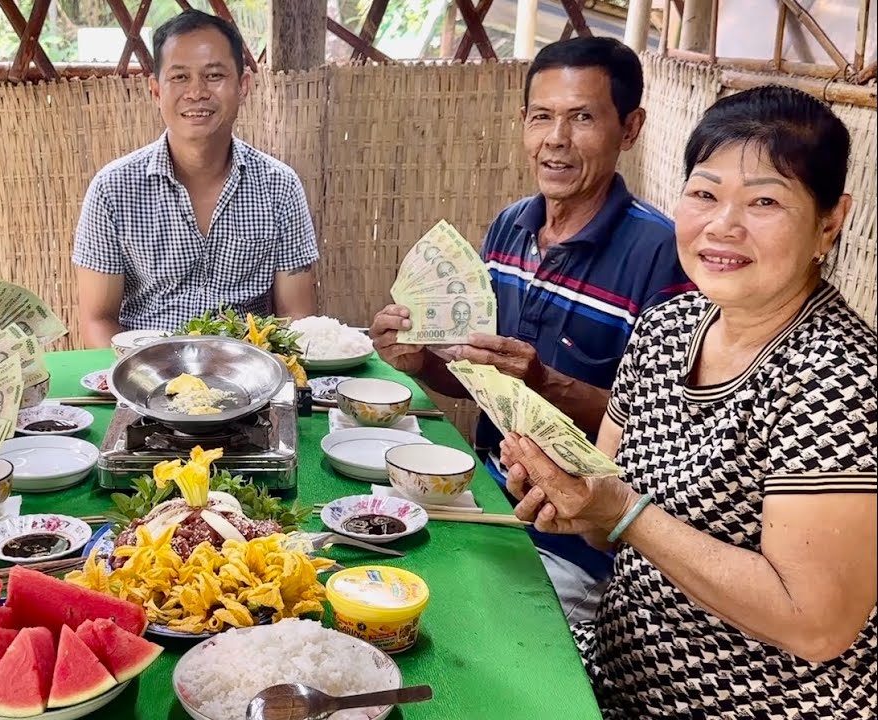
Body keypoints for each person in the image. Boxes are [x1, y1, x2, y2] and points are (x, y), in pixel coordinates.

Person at [502, 86, 875, 718]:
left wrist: (623, 514)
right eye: (704, 194)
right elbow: (608, 529)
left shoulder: (841, 377)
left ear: (829, 221)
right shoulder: (665, 328)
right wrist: (567, 497)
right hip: (617, 678)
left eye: (764, 201)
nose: (723, 225)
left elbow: (816, 624)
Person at [371, 37, 692, 622]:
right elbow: (483, 384)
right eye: (541, 117)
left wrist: (545, 382)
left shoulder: (664, 253)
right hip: (485, 502)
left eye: (583, 118)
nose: (556, 140)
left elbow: (668, 438)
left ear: (631, 127)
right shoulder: (509, 229)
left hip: (579, 547)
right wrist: (422, 363)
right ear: (523, 122)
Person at [72, 9, 318, 347]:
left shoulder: (280, 187)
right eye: (180, 77)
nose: (197, 92)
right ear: (156, 91)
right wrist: (141, 379)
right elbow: (98, 320)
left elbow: (296, 315)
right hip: (146, 378)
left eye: (214, 75)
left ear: (243, 85)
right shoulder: (112, 190)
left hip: (247, 377)